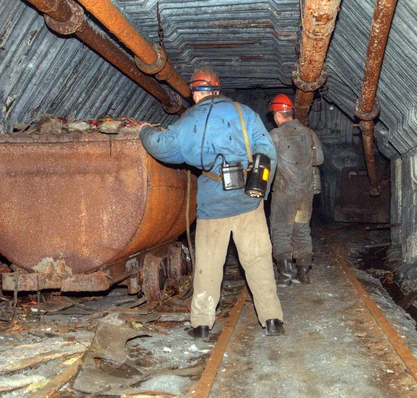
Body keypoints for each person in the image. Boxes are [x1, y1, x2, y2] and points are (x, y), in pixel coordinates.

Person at [139, 66, 284, 339]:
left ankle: (202, 325)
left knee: (208, 264)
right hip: (248, 202)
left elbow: (161, 146)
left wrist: (144, 132)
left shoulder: (189, 120)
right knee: (258, 262)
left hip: (212, 205)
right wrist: (260, 192)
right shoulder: (245, 114)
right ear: (218, 90)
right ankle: (273, 319)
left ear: (195, 94)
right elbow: (267, 152)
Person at [267, 94, 324, 286]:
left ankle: (285, 275)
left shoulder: (275, 135)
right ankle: (304, 273)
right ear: (290, 112)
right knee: (301, 230)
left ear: (277, 114)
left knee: (281, 230)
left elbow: (266, 163)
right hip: (305, 195)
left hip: (284, 194)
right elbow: (319, 160)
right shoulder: (309, 133)